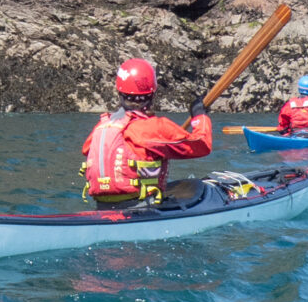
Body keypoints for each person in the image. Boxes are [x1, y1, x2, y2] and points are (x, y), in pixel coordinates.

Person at [81, 58, 212, 205]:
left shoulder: (101, 127)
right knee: (196, 186)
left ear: (120, 93)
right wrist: (199, 115)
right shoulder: (154, 128)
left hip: (103, 206)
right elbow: (202, 145)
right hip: (141, 207)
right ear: (151, 94)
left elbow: (87, 150)